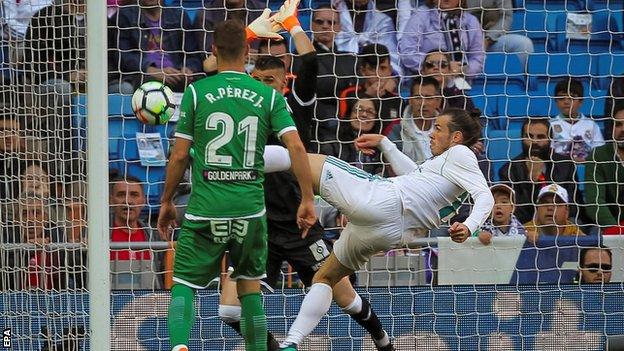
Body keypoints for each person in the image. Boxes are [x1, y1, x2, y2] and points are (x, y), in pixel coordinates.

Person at [206, 7, 394, 350]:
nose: (264, 88)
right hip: (256, 223)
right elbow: (209, 68)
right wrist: (250, 33)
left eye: (271, 82)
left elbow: (308, 61)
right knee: (229, 312)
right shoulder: (242, 106)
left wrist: (291, 24)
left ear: (283, 83)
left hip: (299, 222)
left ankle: (382, 341)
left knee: (345, 297)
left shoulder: (296, 106)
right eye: (258, 81)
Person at [262, 108, 494, 350]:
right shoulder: (444, 167)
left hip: (382, 200)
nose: (431, 134)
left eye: (438, 128)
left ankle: (230, 163)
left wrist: (468, 226)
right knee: (325, 277)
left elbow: (485, 196)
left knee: (293, 156)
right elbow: (414, 175)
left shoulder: (461, 153)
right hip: (390, 233)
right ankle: (291, 344)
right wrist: (386, 143)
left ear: (456, 137)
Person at [156, 16, 317, 351]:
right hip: (250, 210)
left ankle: (179, 346)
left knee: (184, 285)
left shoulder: (197, 93)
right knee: (249, 291)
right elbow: (297, 147)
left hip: (205, 208)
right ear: (248, 51)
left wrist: (167, 200)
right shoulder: (267, 96)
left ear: (214, 50)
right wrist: (307, 198)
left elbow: (180, 155)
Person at [499, 118, 580, 224]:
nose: (535, 141)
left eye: (540, 137)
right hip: (524, 228)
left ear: (550, 139)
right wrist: (532, 182)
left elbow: (574, 207)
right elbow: (517, 213)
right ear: (522, 138)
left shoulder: (566, 165)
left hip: (562, 224)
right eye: (529, 136)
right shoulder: (508, 171)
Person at [113, 0, 203, 92]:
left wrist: (188, 69)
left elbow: (193, 54)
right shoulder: (125, 16)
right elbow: (122, 55)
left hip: (177, 76)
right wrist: (149, 69)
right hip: (142, 77)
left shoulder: (179, 15)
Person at [302, 4, 357, 149]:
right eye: (320, 22)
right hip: (314, 127)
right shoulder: (300, 57)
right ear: (312, 25)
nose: (325, 26)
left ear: (339, 27)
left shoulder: (351, 59)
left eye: (331, 22)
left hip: (346, 126)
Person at [399, 0, 484, 78]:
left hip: (462, 80)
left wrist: (463, 70)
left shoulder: (471, 21)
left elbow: (478, 56)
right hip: (427, 80)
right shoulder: (420, 16)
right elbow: (408, 53)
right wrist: (442, 65)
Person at [338, 44, 403, 132]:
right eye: (372, 69)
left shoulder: (397, 101)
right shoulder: (348, 94)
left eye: (383, 68)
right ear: (363, 71)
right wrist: (367, 96)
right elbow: (344, 127)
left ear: (390, 71)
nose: (378, 74)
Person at [332, 0, 400, 74]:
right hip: (338, 71)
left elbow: (392, 58)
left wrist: (393, 80)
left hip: (375, 75)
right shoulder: (331, 17)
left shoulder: (383, 21)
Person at [585, 107, 624, 234]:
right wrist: (617, 232)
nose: (622, 129)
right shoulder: (598, 156)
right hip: (608, 228)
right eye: (618, 124)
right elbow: (595, 202)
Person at [386, 76, 442, 163]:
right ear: (410, 100)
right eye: (418, 98)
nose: (423, 103)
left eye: (429, 98)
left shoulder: (448, 129)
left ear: (438, 101)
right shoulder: (396, 128)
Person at [465, 0, 534, 69]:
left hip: (490, 39)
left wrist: (488, 38)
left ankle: (526, 79)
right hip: (464, 40)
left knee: (524, 44)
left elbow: (506, 17)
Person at [551, 77, 605, 162]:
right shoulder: (551, 125)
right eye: (561, 98)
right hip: (560, 170)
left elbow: (600, 151)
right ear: (556, 101)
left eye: (572, 98)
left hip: (588, 169)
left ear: (581, 101)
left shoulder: (591, 125)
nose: (566, 102)